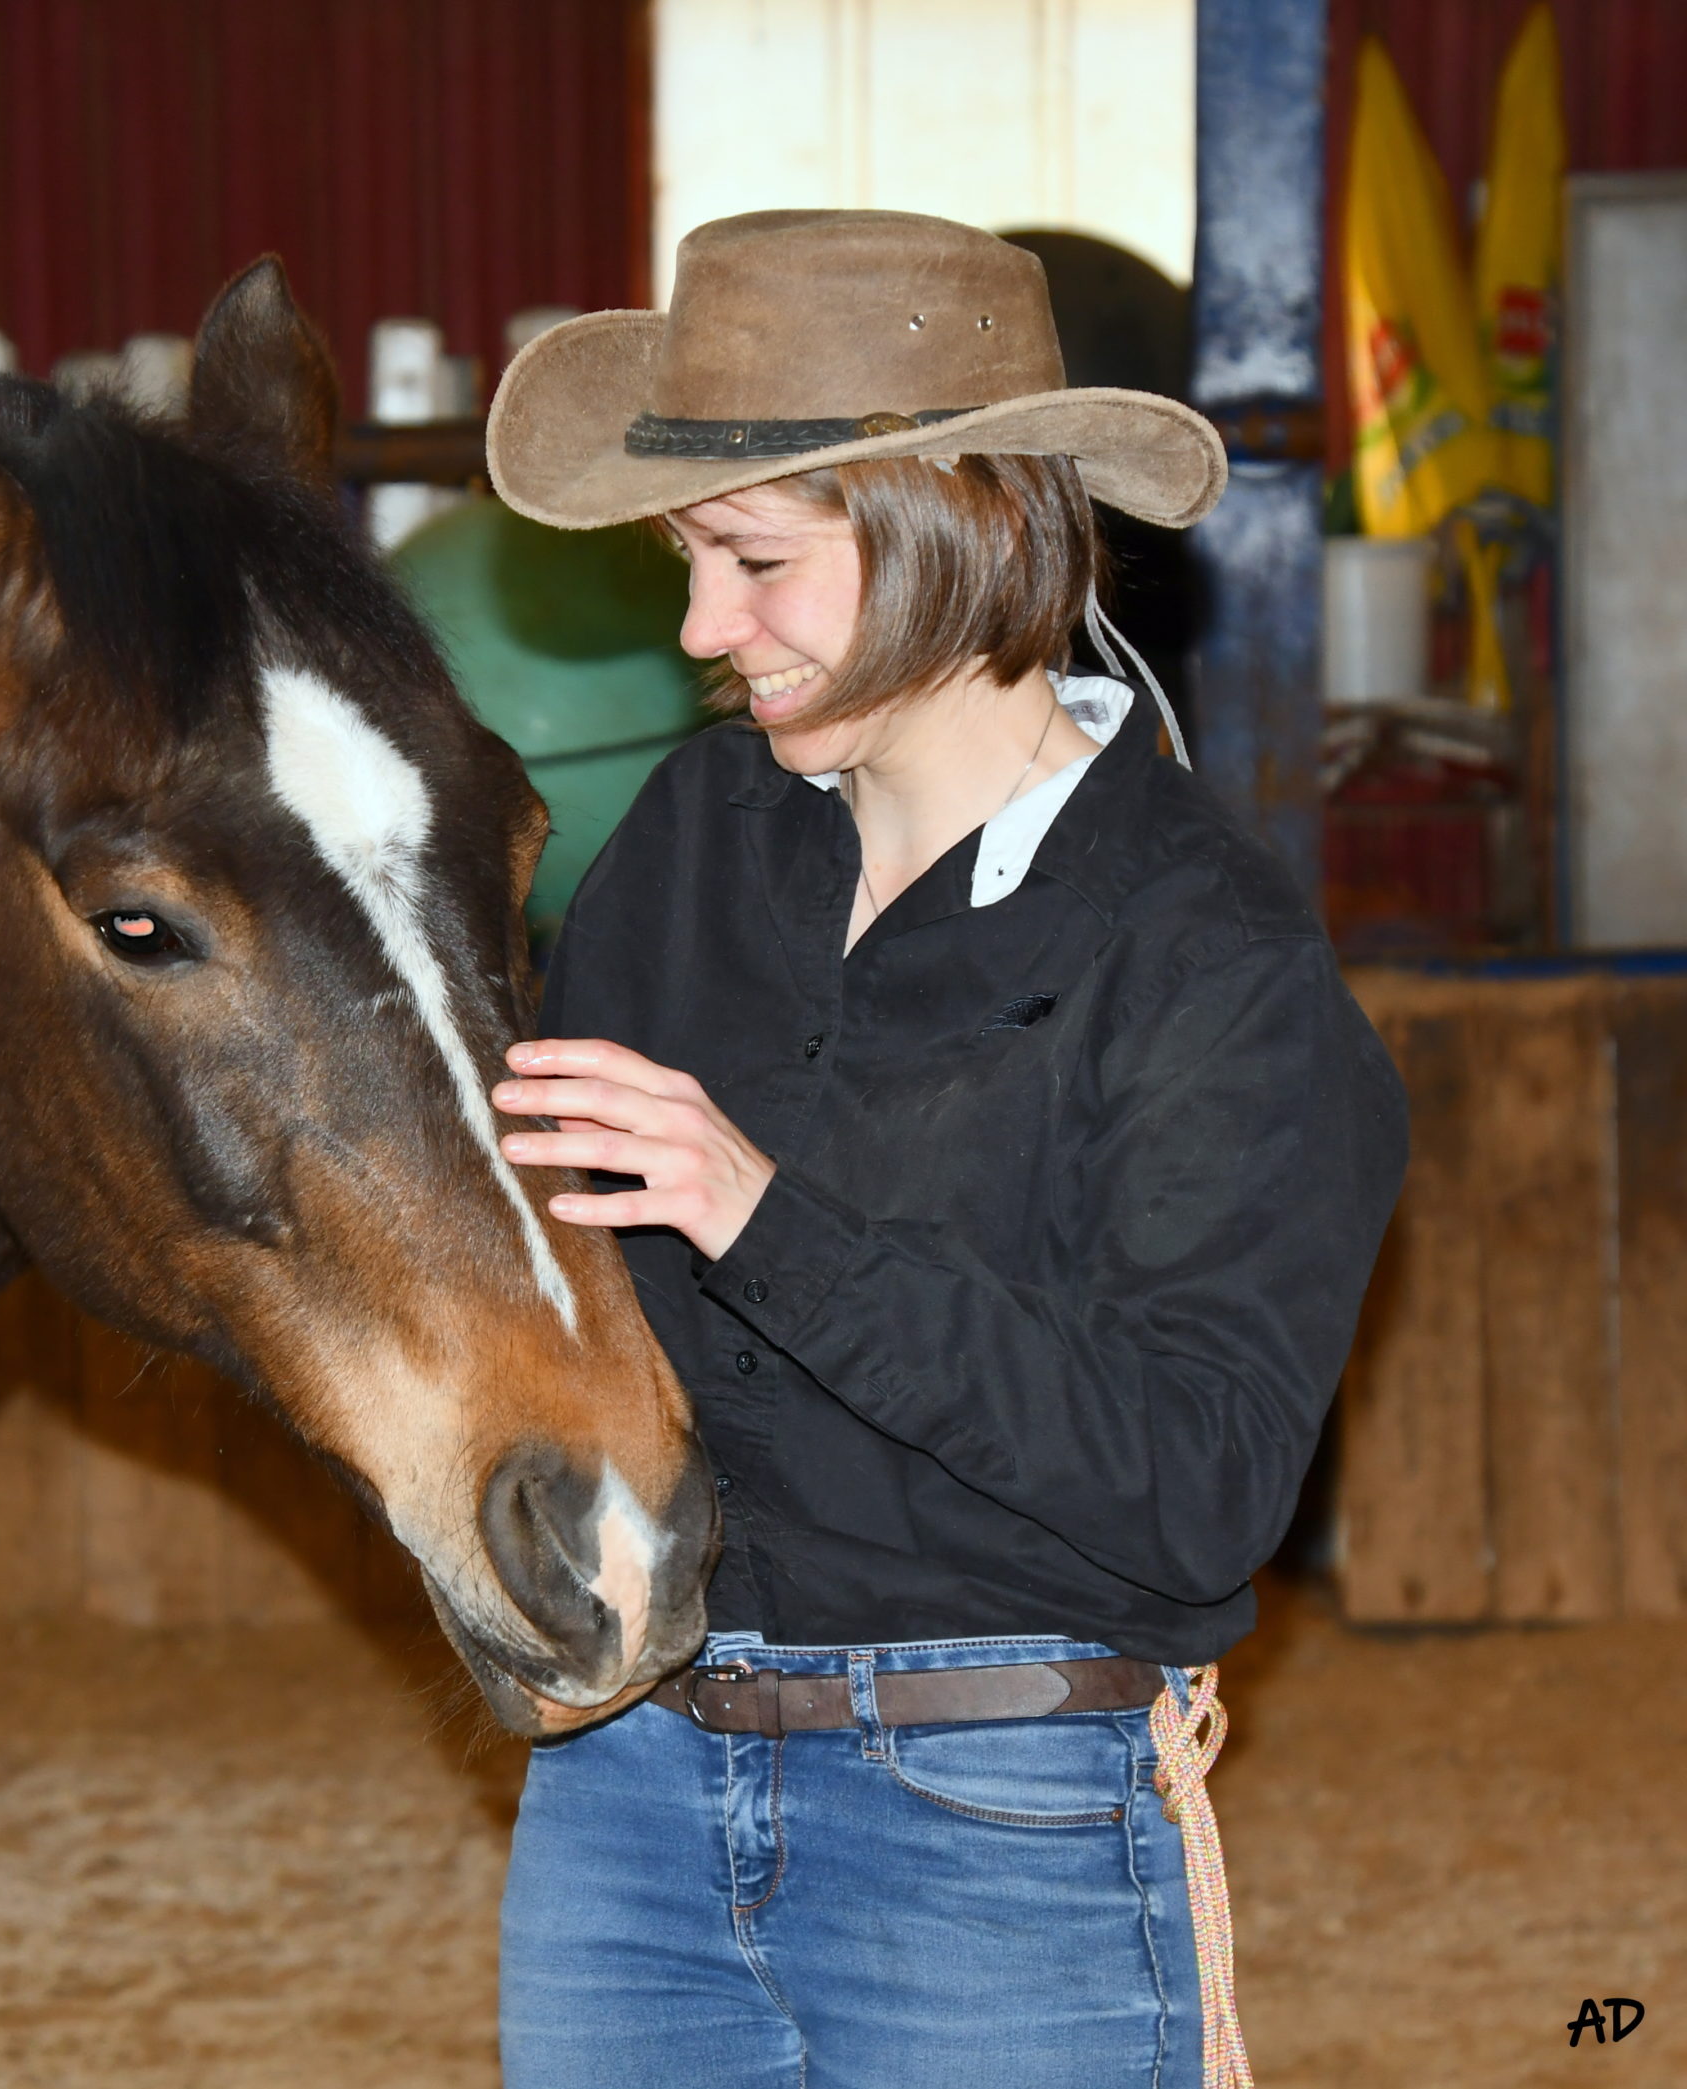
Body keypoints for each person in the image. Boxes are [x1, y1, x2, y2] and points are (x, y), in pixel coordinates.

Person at [479, 210, 1408, 2089]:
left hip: (1003, 1807)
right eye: (687, 564)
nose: (695, 632)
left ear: (958, 522)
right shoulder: (687, 838)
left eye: (750, 563)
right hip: (626, 1788)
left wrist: (765, 1218)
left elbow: (1202, 1480)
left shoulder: (1204, 948)